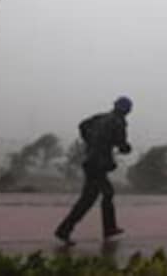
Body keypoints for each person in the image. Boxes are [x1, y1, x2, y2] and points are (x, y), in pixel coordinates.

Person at [54, 96, 133, 245]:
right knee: (99, 196)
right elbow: (121, 144)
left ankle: (69, 229)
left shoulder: (101, 117)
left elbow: (82, 125)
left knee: (94, 197)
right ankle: (66, 230)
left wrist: (89, 141)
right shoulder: (118, 122)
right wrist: (126, 148)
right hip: (98, 164)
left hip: (91, 162)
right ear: (126, 110)